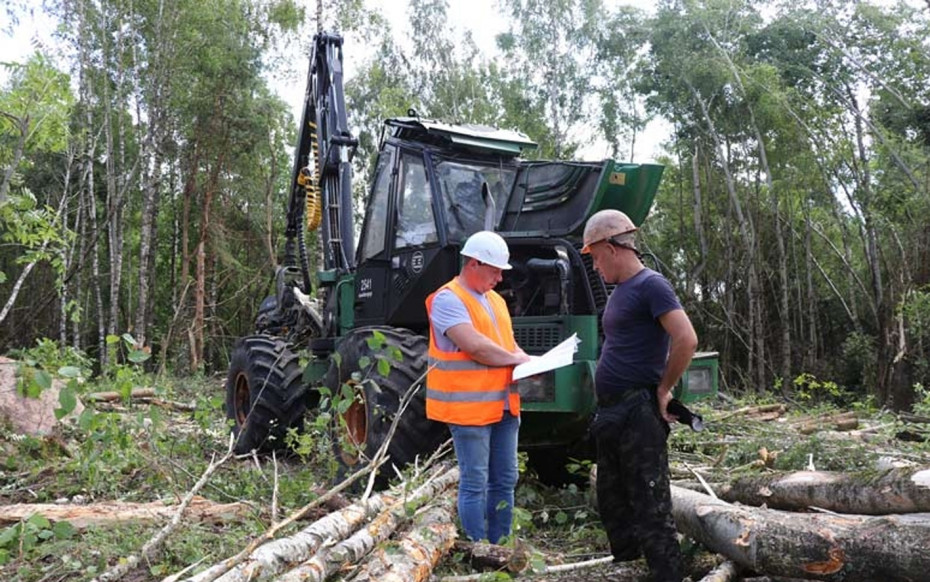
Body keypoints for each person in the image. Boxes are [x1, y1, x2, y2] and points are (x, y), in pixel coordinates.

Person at [581, 209, 697, 582]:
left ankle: (667, 576)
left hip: (638, 413)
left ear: (612, 248)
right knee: (614, 505)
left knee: (651, 507)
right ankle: (629, 571)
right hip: (612, 413)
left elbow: (686, 338)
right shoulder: (620, 292)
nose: (596, 267)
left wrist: (664, 389)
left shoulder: (652, 285)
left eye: (596, 258)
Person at [425, 230, 531, 544]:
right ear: (474, 263)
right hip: (468, 411)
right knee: (475, 481)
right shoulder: (447, 299)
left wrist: (529, 360)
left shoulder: (495, 300)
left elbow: (507, 346)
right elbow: (477, 348)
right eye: (495, 270)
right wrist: (516, 360)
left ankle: (500, 544)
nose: (500, 278)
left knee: (505, 479)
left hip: (504, 406)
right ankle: (477, 547)